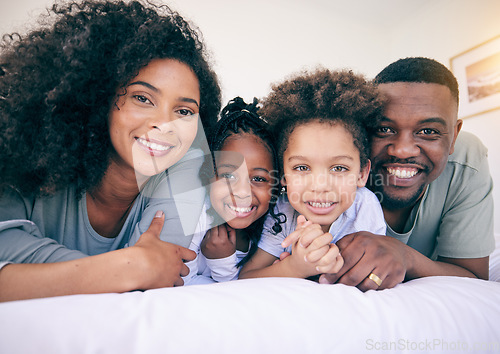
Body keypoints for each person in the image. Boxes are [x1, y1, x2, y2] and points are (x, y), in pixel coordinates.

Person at [0, 0, 221, 301]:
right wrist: (128, 267)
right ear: (98, 97)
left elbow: (158, 278)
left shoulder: (189, 164)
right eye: (143, 98)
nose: (165, 124)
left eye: (184, 111)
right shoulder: (31, 156)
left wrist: (39, 277)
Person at [319, 57, 495, 291]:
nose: (402, 150)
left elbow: (472, 276)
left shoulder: (467, 160)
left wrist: (404, 256)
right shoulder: (337, 158)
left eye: (428, 131)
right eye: (384, 129)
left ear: (454, 136)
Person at [239, 69, 387, 280]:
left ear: (362, 174)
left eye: (339, 168)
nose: (320, 186)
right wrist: (295, 268)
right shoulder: (283, 210)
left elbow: (372, 271)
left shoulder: (365, 208)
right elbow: (247, 277)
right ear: (282, 174)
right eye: (302, 168)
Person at [182, 97, 281, 284]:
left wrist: (222, 264)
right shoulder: (196, 217)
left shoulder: (272, 226)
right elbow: (181, 287)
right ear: (209, 175)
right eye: (229, 176)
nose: (242, 192)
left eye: (258, 179)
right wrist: (224, 269)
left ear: (275, 187)